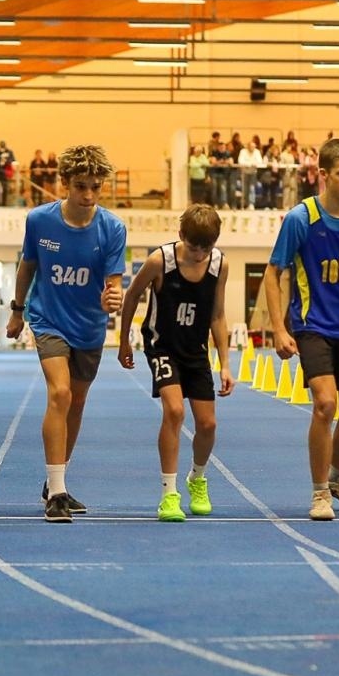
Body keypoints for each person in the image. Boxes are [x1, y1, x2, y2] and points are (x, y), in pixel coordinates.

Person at [264, 138, 339, 521]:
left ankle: (336, 478)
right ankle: (319, 492)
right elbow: (273, 273)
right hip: (312, 325)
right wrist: (279, 329)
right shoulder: (301, 219)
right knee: (325, 403)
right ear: (323, 175)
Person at [6, 144, 128, 522]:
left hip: (89, 326)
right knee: (59, 393)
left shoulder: (112, 228)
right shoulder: (40, 221)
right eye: (80, 186)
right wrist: (17, 309)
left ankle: (56, 478)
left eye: (95, 186)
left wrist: (114, 298)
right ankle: (56, 493)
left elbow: (113, 282)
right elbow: (27, 266)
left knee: (76, 402)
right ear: (64, 184)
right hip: (48, 320)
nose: (88, 195)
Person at [117, 204, 235, 523]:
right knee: (175, 411)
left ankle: (197, 478)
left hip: (195, 350)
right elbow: (132, 297)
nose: (199, 254)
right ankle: (169, 494)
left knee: (208, 424)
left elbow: (218, 316)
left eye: (206, 248)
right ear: (181, 235)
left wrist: (225, 364)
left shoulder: (219, 265)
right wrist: (125, 339)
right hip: (162, 346)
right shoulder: (160, 261)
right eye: (194, 247)